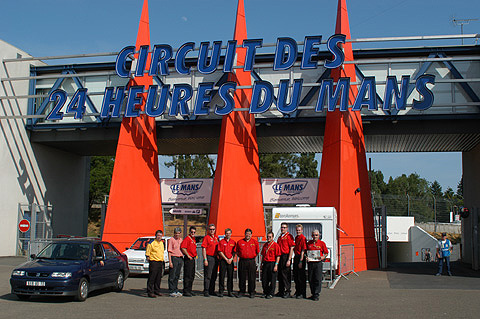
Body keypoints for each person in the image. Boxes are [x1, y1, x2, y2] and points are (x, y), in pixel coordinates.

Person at [236, 228, 259, 298]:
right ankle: (242, 291)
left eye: (249, 234)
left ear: (251, 235)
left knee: (252, 277)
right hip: (242, 261)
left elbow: (257, 252)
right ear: (244, 234)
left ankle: (251, 291)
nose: (248, 235)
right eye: (246, 234)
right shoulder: (240, 242)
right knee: (242, 276)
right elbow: (237, 251)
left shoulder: (255, 242)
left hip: (251, 261)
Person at [306, 229, 328, 301]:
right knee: (311, 278)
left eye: (316, 235)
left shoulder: (322, 243)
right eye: (313, 235)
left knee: (317, 279)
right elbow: (306, 252)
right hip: (311, 263)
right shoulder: (309, 243)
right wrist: (306, 257)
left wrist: (323, 257)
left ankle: (316, 294)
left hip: (318, 263)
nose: (315, 236)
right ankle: (313, 293)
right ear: (311, 236)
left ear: (319, 236)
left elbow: (326, 253)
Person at [276, 222, 295, 298]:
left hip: (286, 256)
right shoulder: (280, 237)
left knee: (286, 275)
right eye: (282, 227)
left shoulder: (289, 236)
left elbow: (291, 248)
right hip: (280, 256)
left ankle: (287, 291)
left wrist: (289, 259)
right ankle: (281, 290)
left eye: (284, 227)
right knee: (280, 274)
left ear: (287, 228)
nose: (283, 229)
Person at [261, 231, 281, 299]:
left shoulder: (275, 245)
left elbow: (278, 256)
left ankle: (271, 293)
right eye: (267, 237)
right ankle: (265, 292)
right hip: (265, 263)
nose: (268, 238)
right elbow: (263, 255)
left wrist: (276, 265)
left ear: (272, 237)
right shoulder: (265, 245)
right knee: (264, 279)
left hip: (272, 263)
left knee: (272, 279)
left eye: (270, 237)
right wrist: (261, 264)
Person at [145, 230, 165, 298]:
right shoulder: (151, 243)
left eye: (160, 236)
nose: (159, 237)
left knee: (158, 277)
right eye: (158, 235)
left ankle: (157, 290)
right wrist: (149, 259)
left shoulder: (162, 243)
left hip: (160, 261)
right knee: (152, 277)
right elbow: (147, 253)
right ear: (155, 236)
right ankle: (150, 291)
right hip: (154, 261)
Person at [217, 228, 236, 297]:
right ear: (225, 234)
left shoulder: (233, 242)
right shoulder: (221, 242)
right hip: (223, 261)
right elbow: (219, 251)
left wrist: (231, 259)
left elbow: (234, 252)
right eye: (227, 233)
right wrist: (226, 259)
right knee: (222, 276)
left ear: (231, 234)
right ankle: (221, 291)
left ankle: (230, 291)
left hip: (230, 261)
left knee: (230, 276)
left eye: (229, 233)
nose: (228, 234)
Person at [202, 223, 219, 297]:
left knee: (214, 275)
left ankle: (212, 290)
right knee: (208, 275)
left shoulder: (216, 237)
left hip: (215, 258)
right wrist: (205, 259)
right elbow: (204, 248)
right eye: (210, 229)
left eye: (213, 229)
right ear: (208, 230)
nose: (212, 231)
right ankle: (206, 290)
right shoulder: (206, 237)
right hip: (209, 257)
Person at [180, 226, 198, 297]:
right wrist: (188, 255)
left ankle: (190, 290)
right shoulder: (187, 239)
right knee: (187, 275)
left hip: (193, 258)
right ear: (189, 232)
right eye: (191, 232)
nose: (193, 233)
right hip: (188, 259)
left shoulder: (193, 239)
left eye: (194, 232)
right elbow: (183, 248)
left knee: (192, 275)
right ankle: (186, 290)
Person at [167, 227, 184, 297]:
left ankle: (176, 289)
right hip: (174, 258)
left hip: (180, 258)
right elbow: (169, 251)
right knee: (172, 275)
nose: (177, 235)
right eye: (176, 233)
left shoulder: (181, 240)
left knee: (177, 275)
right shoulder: (171, 240)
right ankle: (171, 290)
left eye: (179, 233)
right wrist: (170, 261)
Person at [293, 224, 307, 299]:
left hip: (300, 257)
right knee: (296, 276)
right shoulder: (296, 237)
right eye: (297, 230)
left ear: (302, 230)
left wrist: (301, 261)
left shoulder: (303, 238)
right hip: (296, 256)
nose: (298, 231)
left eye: (299, 230)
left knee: (301, 277)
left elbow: (303, 250)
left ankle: (302, 293)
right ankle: (297, 291)